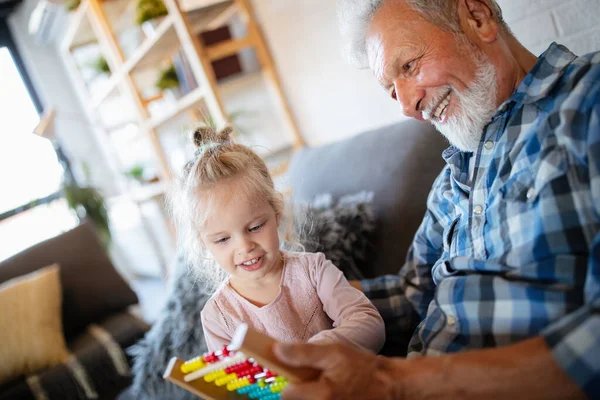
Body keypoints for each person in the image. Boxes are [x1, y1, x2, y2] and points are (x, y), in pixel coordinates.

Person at [271, 0, 600, 398]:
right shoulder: (450, 182)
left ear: (477, 19)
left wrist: (393, 383)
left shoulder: (587, 99)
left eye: (408, 66)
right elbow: (412, 294)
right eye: (393, 91)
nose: (409, 106)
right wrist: (297, 293)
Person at [169, 125, 385, 355]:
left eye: (255, 227)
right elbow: (236, 387)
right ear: (204, 243)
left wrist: (314, 351)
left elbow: (370, 324)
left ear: (276, 213)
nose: (244, 247)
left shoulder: (313, 270)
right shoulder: (218, 316)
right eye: (222, 239)